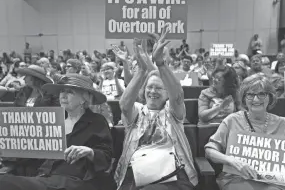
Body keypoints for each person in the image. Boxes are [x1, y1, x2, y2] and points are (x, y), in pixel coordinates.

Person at [115, 27, 197, 190]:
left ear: (167, 94)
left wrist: (160, 63)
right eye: (149, 88)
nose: (152, 91)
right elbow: (124, 105)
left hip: (172, 174)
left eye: (158, 88)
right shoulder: (137, 111)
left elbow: (178, 94)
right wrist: (142, 71)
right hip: (137, 172)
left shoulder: (172, 112)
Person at [0, 73, 114, 190]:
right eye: (61, 91)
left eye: (70, 92)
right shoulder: (52, 119)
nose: (63, 95)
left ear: (84, 98)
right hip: (44, 176)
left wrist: (90, 152)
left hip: (75, 180)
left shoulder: (96, 121)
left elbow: (106, 157)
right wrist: (7, 151)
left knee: (5, 182)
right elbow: (33, 151)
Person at [205, 73, 285, 190]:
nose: (256, 99)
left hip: (274, 182)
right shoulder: (232, 120)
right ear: (244, 98)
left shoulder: (282, 123)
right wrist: (232, 160)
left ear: (270, 97)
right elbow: (209, 151)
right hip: (237, 178)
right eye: (250, 95)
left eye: (261, 94)